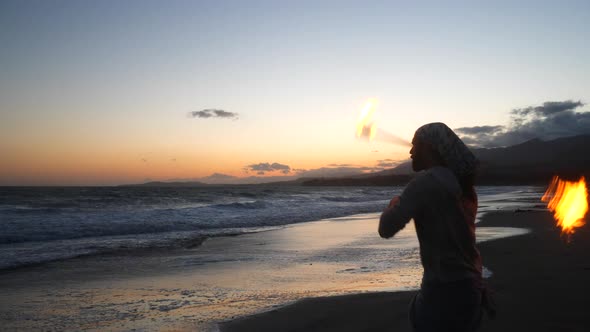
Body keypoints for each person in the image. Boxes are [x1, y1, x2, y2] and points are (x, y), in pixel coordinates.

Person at [378, 122, 493, 332]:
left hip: (443, 292)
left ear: (430, 147)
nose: (411, 151)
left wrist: (395, 202)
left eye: (415, 145)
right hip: (471, 288)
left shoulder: (426, 183)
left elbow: (386, 228)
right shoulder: (466, 189)